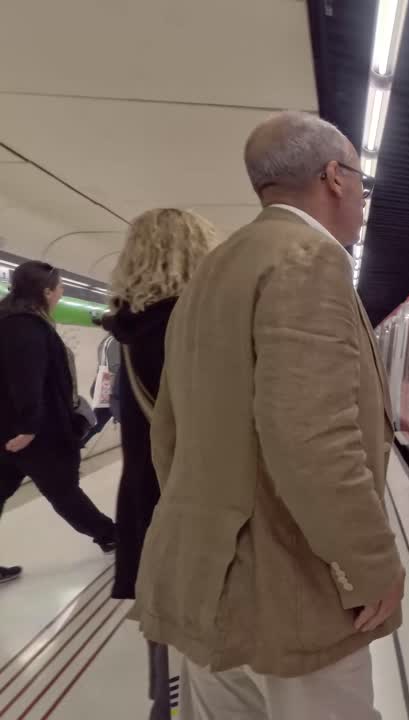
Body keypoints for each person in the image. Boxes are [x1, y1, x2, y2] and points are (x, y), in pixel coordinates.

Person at [133, 112, 404, 719]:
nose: (364, 197)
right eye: (362, 180)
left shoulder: (212, 271)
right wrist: (369, 563)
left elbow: (169, 431)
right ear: (334, 177)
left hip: (205, 576)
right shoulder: (309, 258)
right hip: (287, 586)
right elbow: (313, 438)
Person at [101, 208, 215, 719]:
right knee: (210, 647)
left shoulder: (127, 333)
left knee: (162, 628)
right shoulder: (202, 327)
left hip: (146, 501)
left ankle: (164, 705)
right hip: (196, 502)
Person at [0, 261, 118, 584]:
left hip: (12, 428)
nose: (62, 292)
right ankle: (110, 535)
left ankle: (108, 534)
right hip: (33, 433)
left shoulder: (13, 320)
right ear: (46, 291)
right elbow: (27, 379)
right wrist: (29, 428)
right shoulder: (24, 326)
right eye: (60, 287)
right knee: (64, 491)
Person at [80, 331, 121, 449]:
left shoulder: (108, 339)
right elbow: (114, 368)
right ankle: (73, 445)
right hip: (109, 382)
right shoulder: (115, 340)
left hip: (105, 381)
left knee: (98, 422)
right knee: (97, 422)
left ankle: (75, 444)